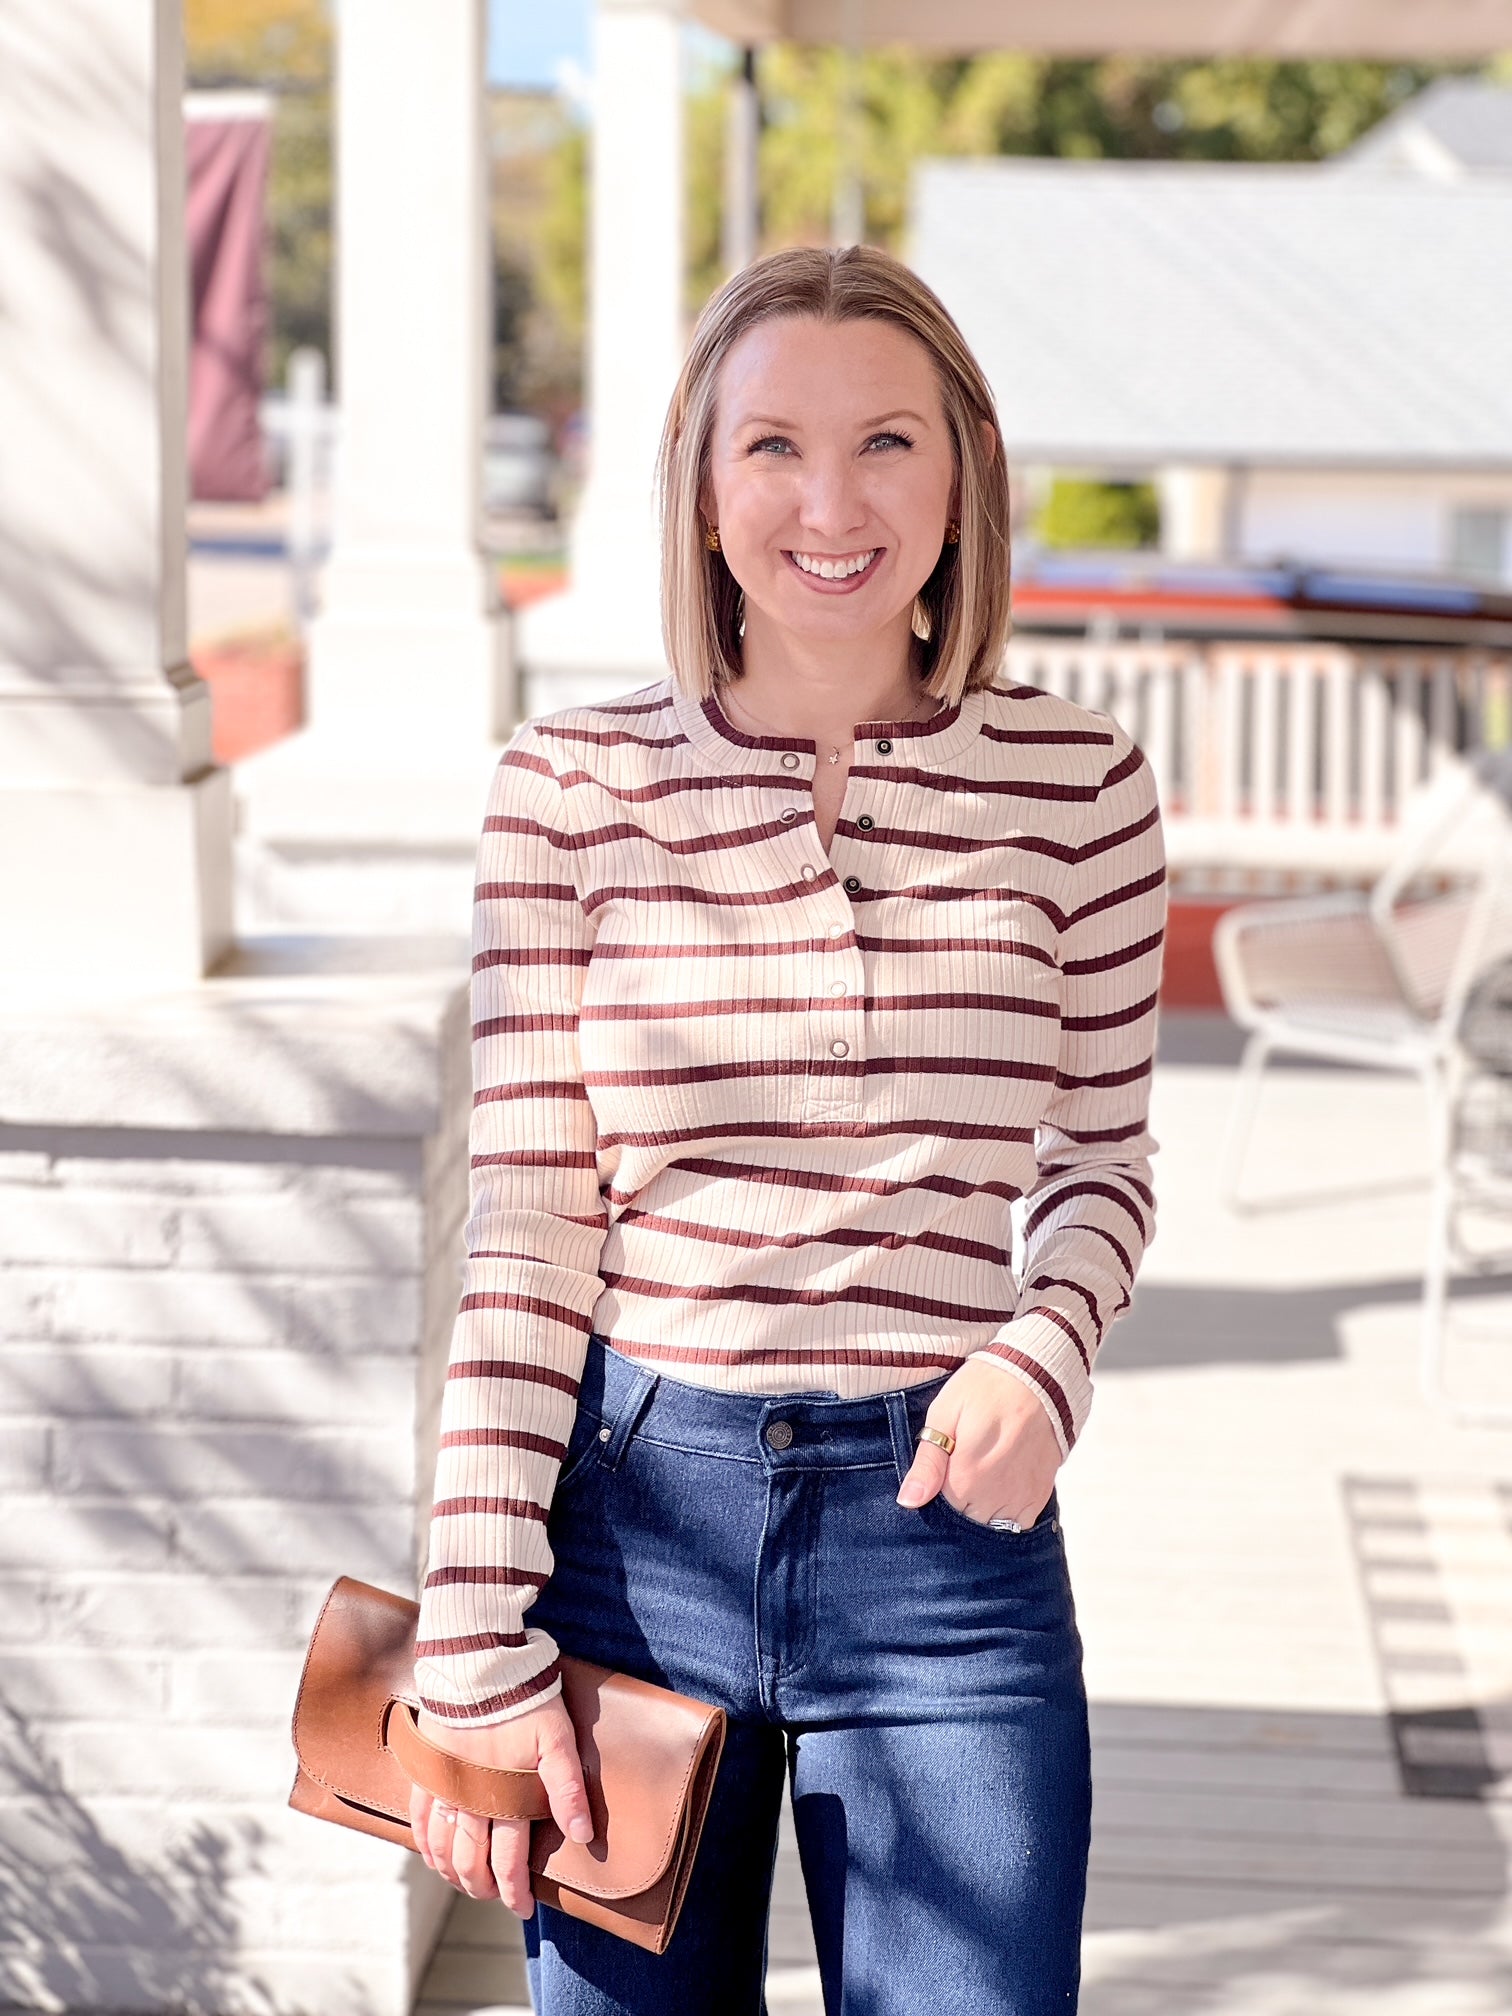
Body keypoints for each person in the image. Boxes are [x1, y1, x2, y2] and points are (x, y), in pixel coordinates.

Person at [406, 244, 1166, 2015]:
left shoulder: (1083, 789)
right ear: (700, 477)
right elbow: (526, 1230)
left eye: (888, 442)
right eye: (773, 448)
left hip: (947, 1552)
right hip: (624, 1531)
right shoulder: (571, 787)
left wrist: (1048, 1351)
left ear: (966, 466)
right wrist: (471, 1631)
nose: (832, 503)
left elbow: (1101, 1167)